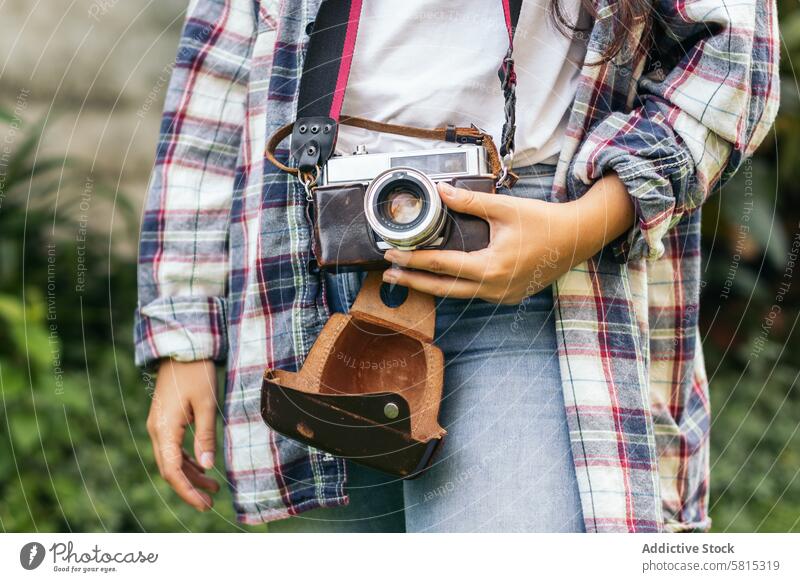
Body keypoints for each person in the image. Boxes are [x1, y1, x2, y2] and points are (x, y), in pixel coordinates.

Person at [137, 0, 779, 532]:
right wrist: (185, 333)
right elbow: (216, 74)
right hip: (310, 274)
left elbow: (733, 58)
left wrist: (584, 225)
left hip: (534, 272)